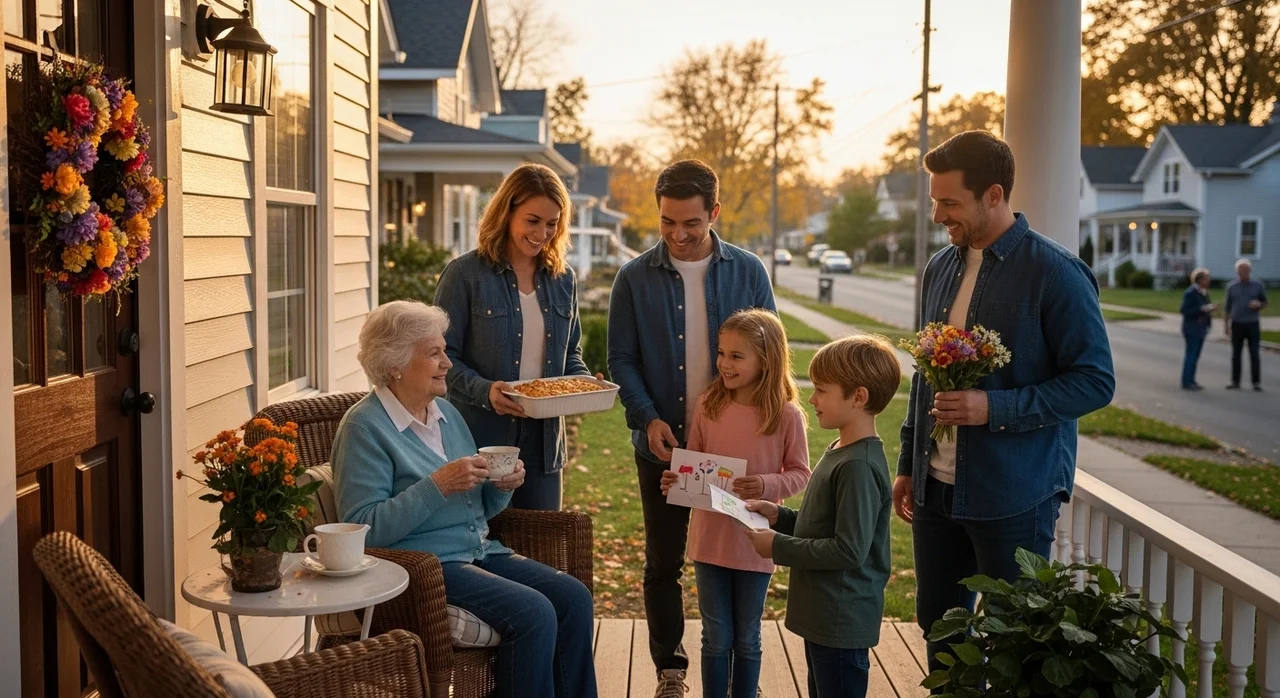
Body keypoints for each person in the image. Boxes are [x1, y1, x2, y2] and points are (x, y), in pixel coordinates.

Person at [894, 131, 1115, 681]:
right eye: (936, 202)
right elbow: (924, 381)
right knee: (938, 625)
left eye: (950, 203)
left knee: (1016, 634)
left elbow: (1094, 382)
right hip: (935, 489)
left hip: (1013, 493)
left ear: (994, 194)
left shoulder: (1057, 273)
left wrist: (993, 409)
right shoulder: (939, 268)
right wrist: (907, 464)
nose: (940, 215)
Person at [331, 300, 597, 698]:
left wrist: (500, 488)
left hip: (479, 551)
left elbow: (479, 508)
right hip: (425, 568)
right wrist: (436, 484)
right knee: (533, 612)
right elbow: (364, 530)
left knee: (573, 597)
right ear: (394, 364)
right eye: (434, 354)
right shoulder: (364, 428)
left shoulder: (445, 414)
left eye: (443, 350)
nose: (448, 363)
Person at [608, 159, 776, 696]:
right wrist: (647, 417)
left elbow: (771, 354)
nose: (678, 236)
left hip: (732, 451)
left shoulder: (748, 271)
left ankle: (733, 662)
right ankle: (670, 670)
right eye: (667, 223)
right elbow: (621, 358)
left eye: (691, 224)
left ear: (715, 214)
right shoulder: (633, 278)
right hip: (664, 446)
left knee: (731, 555)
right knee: (663, 562)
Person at [657, 309, 811, 698]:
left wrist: (764, 483)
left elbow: (800, 474)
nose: (724, 363)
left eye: (737, 356)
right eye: (722, 353)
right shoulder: (709, 404)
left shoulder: (786, 415)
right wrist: (676, 479)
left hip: (755, 543)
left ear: (767, 359)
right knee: (715, 635)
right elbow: (695, 462)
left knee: (746, 635)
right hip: (709, 541)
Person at [434, 163, 599, 511]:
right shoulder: (465, 274)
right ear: (506, 212)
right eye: (533, 220)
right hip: (480, 441)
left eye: (552, 224)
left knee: (541, 549)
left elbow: (571, 353)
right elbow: (440, 358)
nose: (542, 233)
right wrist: (486, 391)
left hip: (543, 445)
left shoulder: (562, 279)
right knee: (482, 546)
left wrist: (583, 385)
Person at [743, 335, 900, 698]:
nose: (812, 399)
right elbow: (822, 524)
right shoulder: (841, 450)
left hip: (841, 621)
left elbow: (848, 550)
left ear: (858, 397)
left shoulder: (858, 466)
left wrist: (777, 547)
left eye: (822, 390)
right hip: (824, 618)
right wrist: (778, 516)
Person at [1224, 259, 1268, 391]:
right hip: (1237, 324)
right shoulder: (1232, 286)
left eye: (1245, 270)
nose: (1243, 273)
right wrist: (1226, 325)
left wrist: (1258, 305)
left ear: (1249, 271)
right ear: (1237, 272)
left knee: (1254, 353)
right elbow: (1227, 307)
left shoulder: (1257, 285)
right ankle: (1235, 381)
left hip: (1252, 323)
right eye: (1240, 271)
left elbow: (1264, 302)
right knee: (1236, 354)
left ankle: (1256, 382)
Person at [1180, 267, 1216, 391]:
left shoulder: (1204, 293)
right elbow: (1184, 310)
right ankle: (1187, 381)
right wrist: (1202, 309)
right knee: (1191, 355)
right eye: (1207, 278)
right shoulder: (1190, 293)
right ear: (1200, 280)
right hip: (1191, 328)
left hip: (1201, 328)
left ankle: (1192, 380)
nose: (1209, 281)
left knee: (1196, 356)